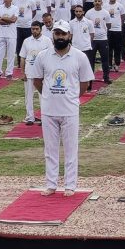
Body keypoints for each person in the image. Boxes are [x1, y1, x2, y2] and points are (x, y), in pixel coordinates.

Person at [31, 20, 94, 196]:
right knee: (50, 149)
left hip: (70, 111)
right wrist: (49, 96)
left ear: (69, 36)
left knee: (70, 149)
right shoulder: (43, 56)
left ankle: (69, 185)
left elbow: (84, 83)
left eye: (63, 34)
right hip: (49, 110)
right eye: (57, 34)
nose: (60, 37)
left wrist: (72, 97)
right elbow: (37, 80)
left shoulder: (79, 56)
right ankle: (51, 184)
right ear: (53, 35)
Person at [19, 21, 53, 125]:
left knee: (43, 96)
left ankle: (44, 118)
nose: (34, 31)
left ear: (41, 29)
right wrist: (23, 73)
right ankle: (30, 117)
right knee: (28, 96)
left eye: (36, 29)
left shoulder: (47, 41)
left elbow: (51, 57)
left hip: (42, 74)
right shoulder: (27, 41)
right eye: (33, 29)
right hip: (29, 73)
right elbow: (23, 57)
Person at [85, 0, 112, 85]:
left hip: (103, 39)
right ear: (93, 2)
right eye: (95, 1)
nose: (97, 3)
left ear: (102, 2)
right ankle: (90, 80)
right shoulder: (89, 13)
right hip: (92, 40)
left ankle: (106, 78)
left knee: (105, 60)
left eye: (99, 1)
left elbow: (109, 25)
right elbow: (86, 26)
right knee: (90, 60)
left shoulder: (106, 13)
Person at [0, 0, 18, 79]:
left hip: (11, 34)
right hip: (0, 34)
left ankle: (9, 73)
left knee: (11, 55)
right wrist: (8, 19)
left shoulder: (15, 8)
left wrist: (3, 18)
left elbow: (13, 20)